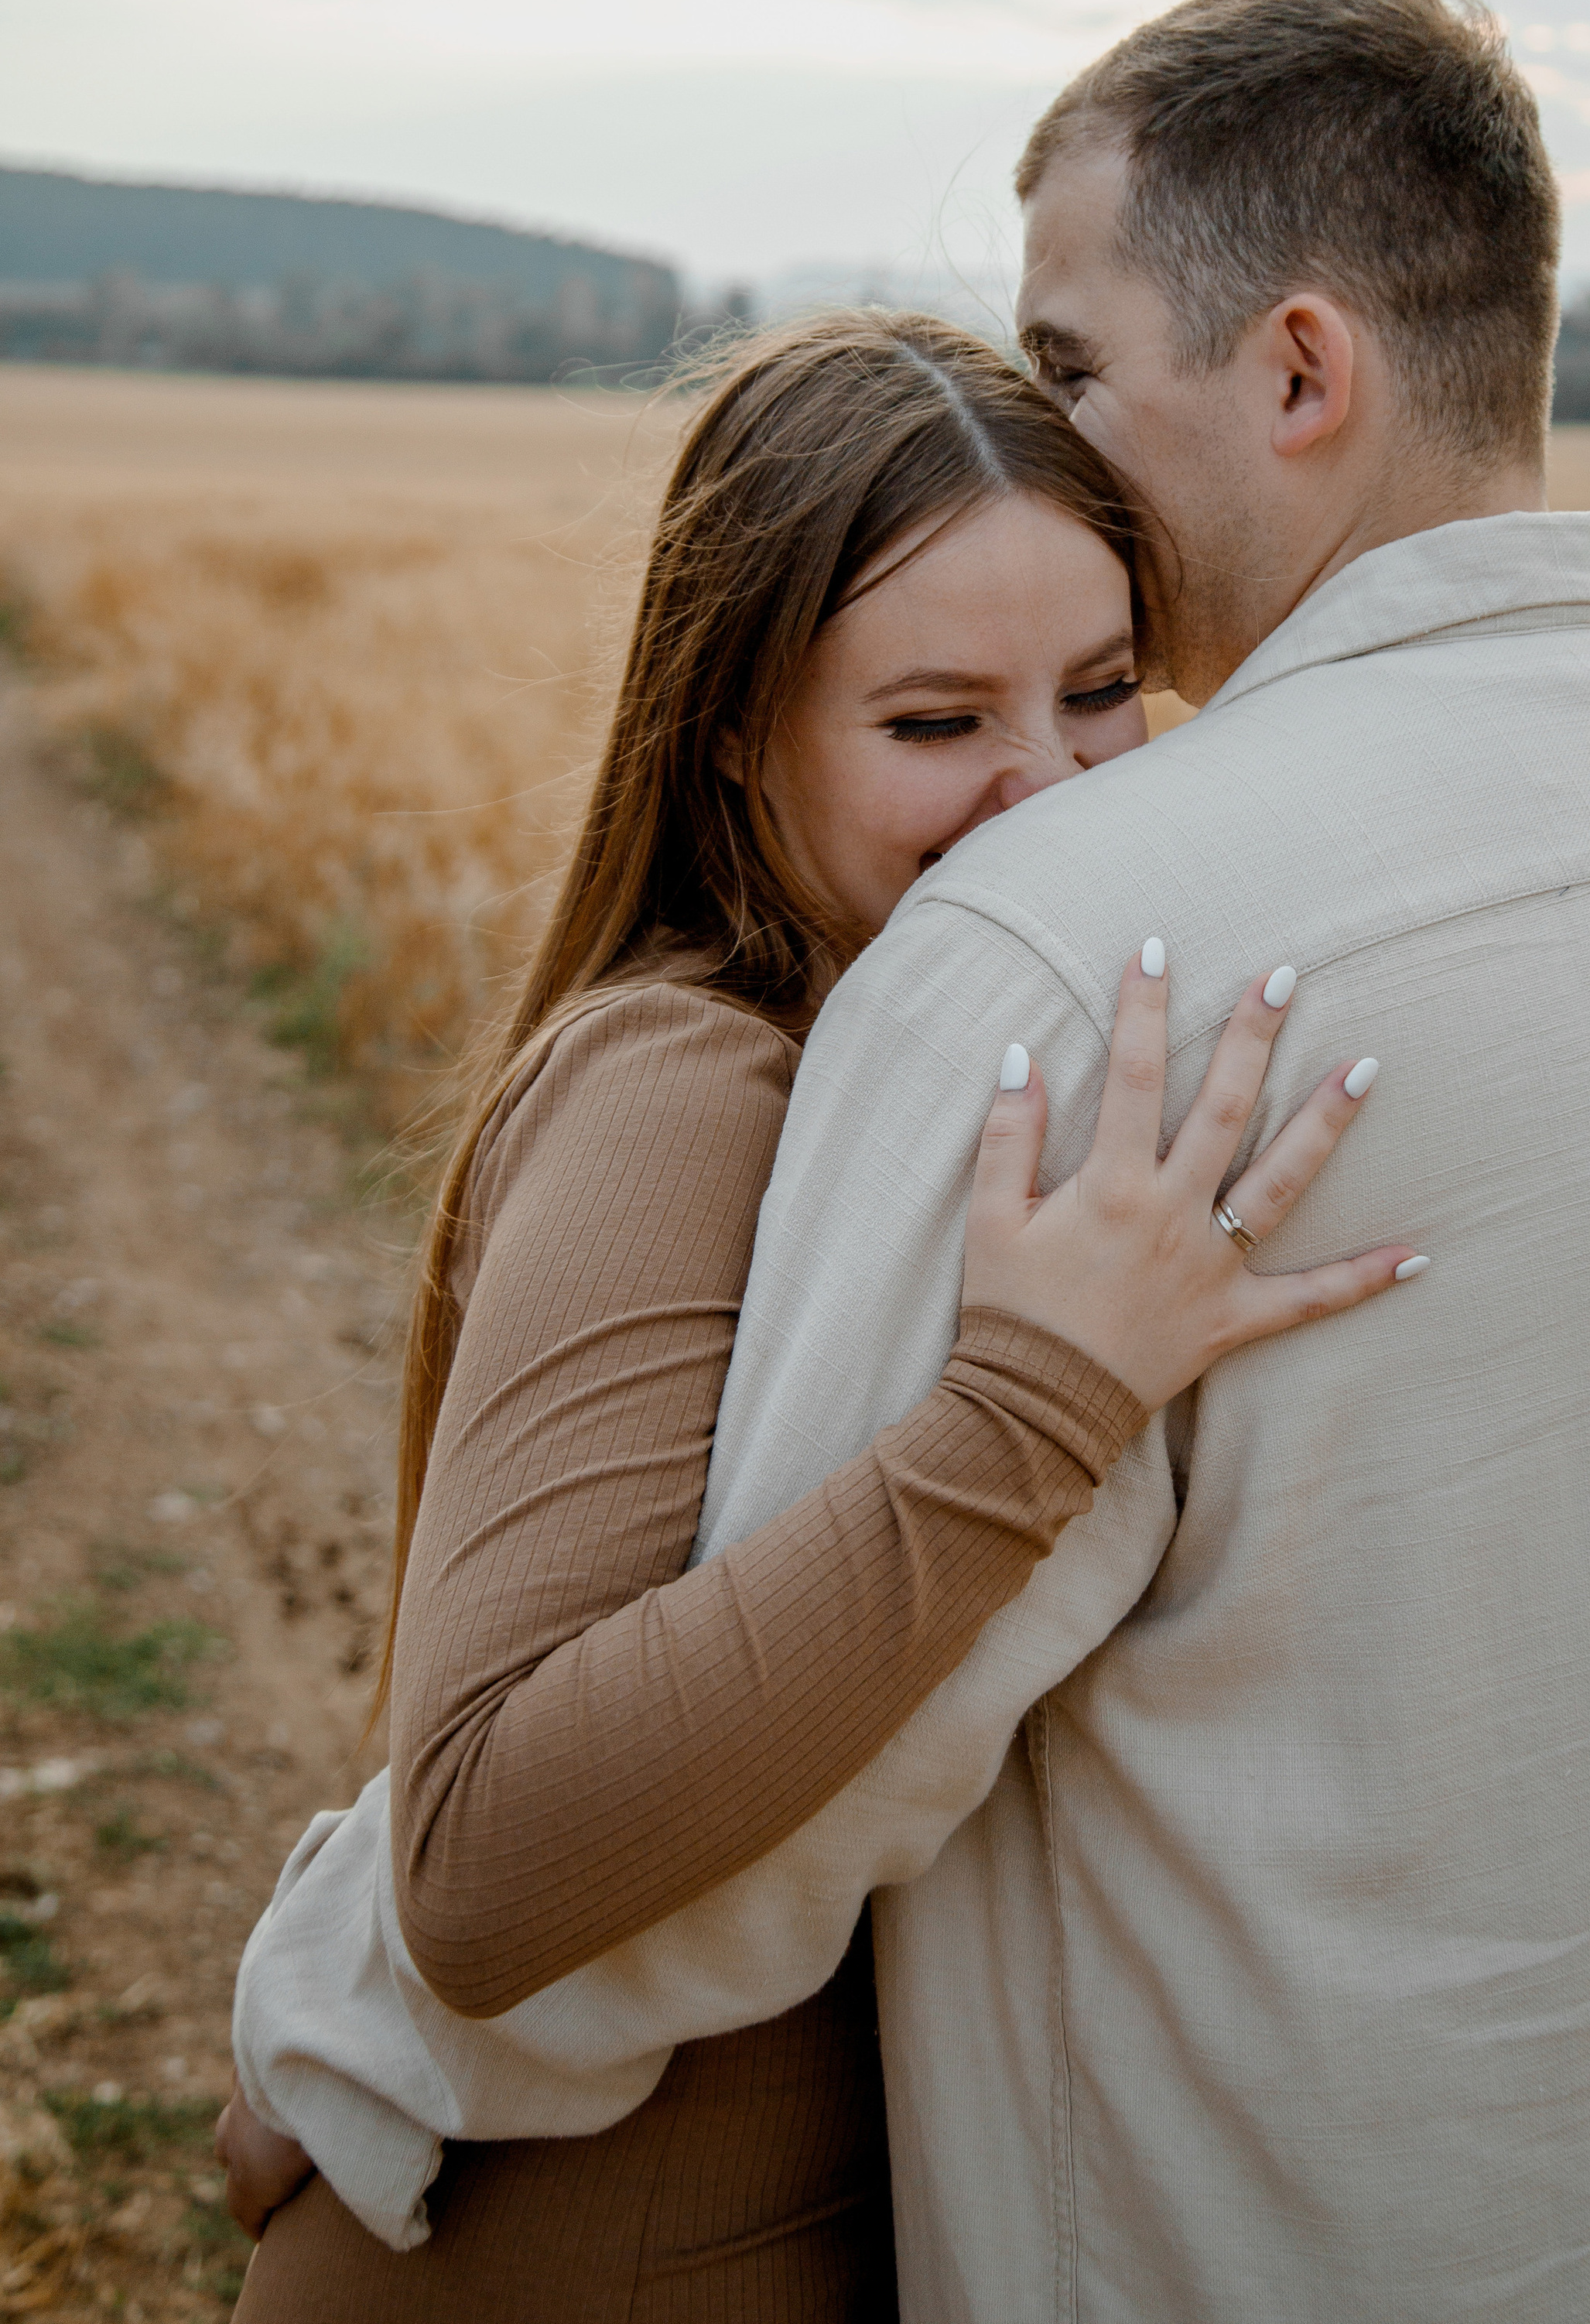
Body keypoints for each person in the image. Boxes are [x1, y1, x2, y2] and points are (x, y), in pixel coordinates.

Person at [235, 0, 1590, 2320]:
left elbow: (663, 1890)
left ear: (1293, 371)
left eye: (1065, 364)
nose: (1035, 428)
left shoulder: (1084, 965)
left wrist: (336, 2022)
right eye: (940, 714)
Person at [218, 307, 1417, 2319]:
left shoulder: (948, 1073)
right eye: (936, 724)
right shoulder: (691, 1087)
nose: (1049, 793)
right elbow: (492, 1854)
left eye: (1107, 692)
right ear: (735, 737)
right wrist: (1035, 1407)